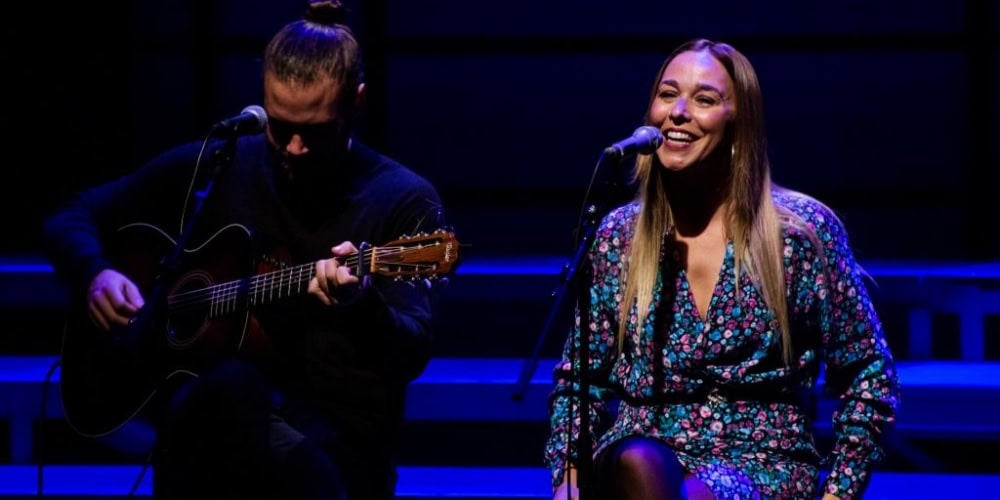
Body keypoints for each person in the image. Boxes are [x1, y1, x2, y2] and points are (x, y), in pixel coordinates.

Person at [41, 1, 453, 499]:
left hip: (337, 439)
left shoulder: (403, 199)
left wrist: (359, 305)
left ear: (356, 101)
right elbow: (74, 214)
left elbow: (412, 350)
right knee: (224, 394)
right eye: (280, 126)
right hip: (216, 427)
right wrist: (96, 273)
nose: (295, 147)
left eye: (315, 131)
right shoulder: (222, 164)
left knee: (233, 394)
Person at [543, 38, 900, 500]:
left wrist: (837, 493)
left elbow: (868, 376)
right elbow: (580, 381)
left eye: (704, 100)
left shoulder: (801, 234)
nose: (678, 112)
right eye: (668, 94)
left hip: (760, 464)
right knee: (639, 461)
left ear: (739, 123)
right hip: (639, 459)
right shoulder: (619, 235)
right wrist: (568, 478)